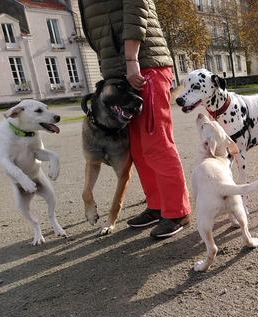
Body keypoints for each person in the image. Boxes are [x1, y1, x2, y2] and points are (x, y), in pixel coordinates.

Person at [78, 0, 192, 238]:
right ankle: (158, 205)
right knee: (138, 149)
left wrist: (131, 59)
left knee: (156, 143)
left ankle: (177, 211)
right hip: (120, 71)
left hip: (143, 65)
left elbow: (135, 7)